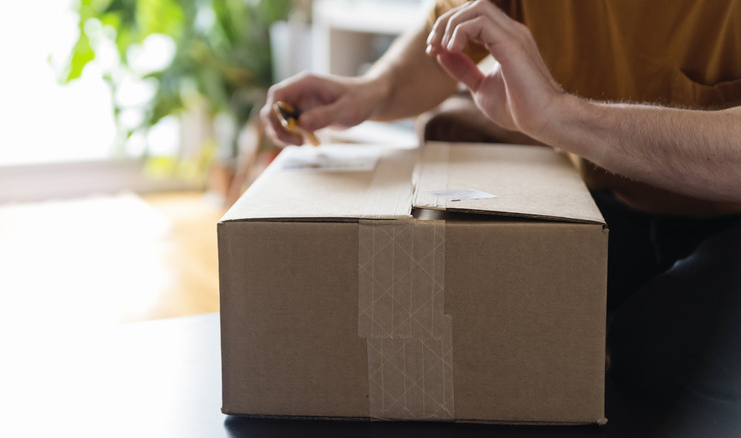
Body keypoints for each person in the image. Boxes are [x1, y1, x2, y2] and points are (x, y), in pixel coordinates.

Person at [261, 0, 741, 414]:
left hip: (727, 223)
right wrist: (371, 89)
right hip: (605, 201)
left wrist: (560, 115)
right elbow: (446, 35)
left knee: (656, 371)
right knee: (485, 347)